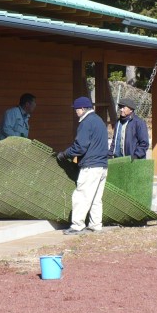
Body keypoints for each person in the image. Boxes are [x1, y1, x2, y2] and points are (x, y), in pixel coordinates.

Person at [56, 96, 109, 235]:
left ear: (83, 108)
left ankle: (77, 226)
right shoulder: (99, 121)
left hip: (90, 166)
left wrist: (65, 154)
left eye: (76, 109)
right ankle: (96, 225)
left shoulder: (86, 122)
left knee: (81, 196)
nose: (75, 112)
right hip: (102, 166)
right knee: (96, 198)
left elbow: (80, 147)